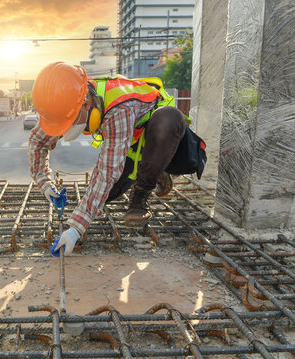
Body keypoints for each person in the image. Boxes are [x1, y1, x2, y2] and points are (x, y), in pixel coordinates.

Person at [28, 62, 195, 256]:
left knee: (168, 119)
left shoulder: (120, 108)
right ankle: (145, 170)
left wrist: (76, 228)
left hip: (162, 138)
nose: (64, 129)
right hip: (127, 144)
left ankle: (143, 191)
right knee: (102, 196)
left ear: (86, 104)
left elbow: (107, 171)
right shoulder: (67, 100)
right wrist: (45, 184)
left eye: (68, 123)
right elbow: (37, 142)